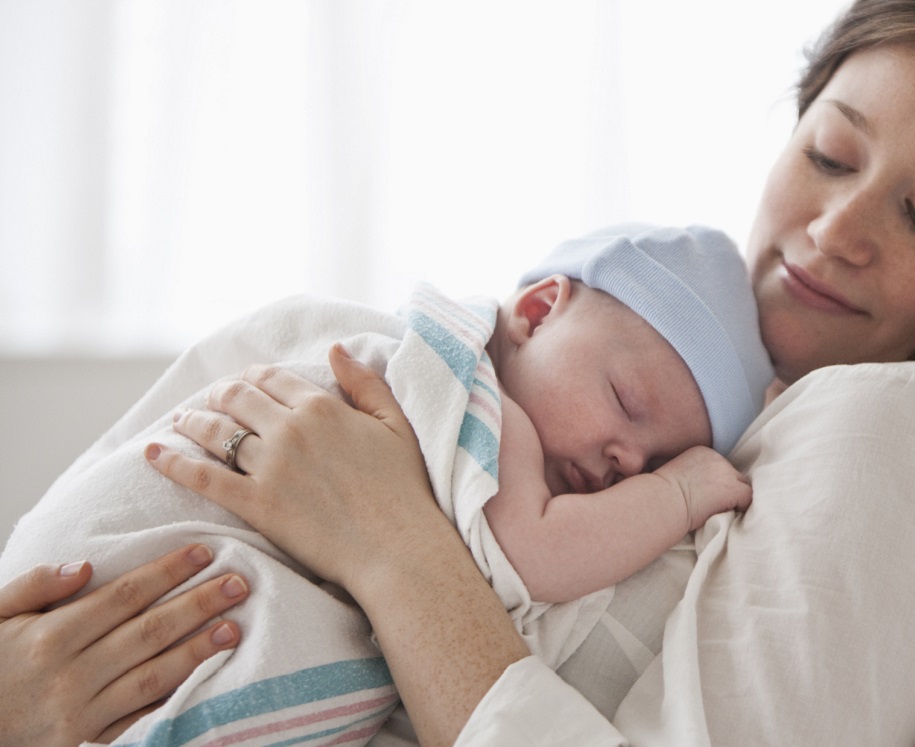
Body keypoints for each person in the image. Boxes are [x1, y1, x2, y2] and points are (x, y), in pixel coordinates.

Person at [0, 0, 915, 745]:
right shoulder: (623, 351)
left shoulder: (882, 435)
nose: (833, 230)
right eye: (828, 153)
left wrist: (391, 542)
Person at [0, 224, 771, 745]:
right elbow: (534, 553)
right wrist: (679, 492)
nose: (625, 463)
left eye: (658, 456)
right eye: (627, 404)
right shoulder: (479, 403)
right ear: (537, 312)